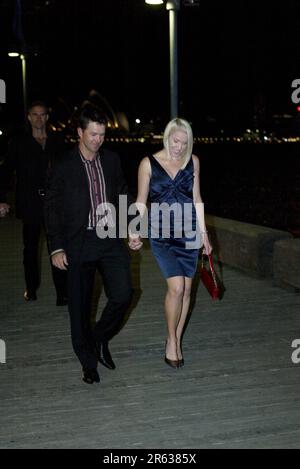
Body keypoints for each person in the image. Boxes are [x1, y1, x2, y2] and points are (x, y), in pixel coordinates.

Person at [44, 105, 136, 385]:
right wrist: (56, 247)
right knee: (80, 307)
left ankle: (97, 339)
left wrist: (133, 227)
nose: (98, 140)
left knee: (123, 294)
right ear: (80, 133)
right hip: (78, 241)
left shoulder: (112, 160)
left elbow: (122, 192)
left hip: (109, 236)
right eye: (93, 134)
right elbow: (52, 208)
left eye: (102, 134)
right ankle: (88, 362)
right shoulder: (63, 166)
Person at [129, 117, 212, 368]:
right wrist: (134, 230)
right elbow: (141, 201)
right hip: (162, 234)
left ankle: (175, 336)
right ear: (167, 137)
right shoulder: (148, 164)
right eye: (175, 141)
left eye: (184, 143)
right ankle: (172, 339)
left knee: (187, 290)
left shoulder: (193, 161)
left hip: (188, 233)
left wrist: (204, 234)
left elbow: (197, 199)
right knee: (176, 288)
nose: (179, 148)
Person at [0, 101, 68, 305]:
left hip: (55, 203)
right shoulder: (18, 142)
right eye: (35, 114)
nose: (39, 118)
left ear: (47, 117)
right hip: (29, 203)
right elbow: (5, 172)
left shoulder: (58, 141)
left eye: (42, 114)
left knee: (57, 247)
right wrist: (2, 200)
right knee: (30, 249)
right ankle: (31, 288)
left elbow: (68, 171)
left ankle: (62, 294)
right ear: (29, 117)